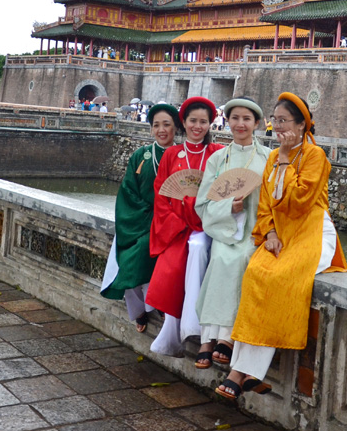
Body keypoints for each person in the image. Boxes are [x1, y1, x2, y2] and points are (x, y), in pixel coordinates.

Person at [216, 92, 347, 400]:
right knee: (256, 274)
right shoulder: (274, 158)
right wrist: (270, 232)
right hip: (282, 234)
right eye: (275, 121)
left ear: (302, 125)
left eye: (284, 121)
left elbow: (300, 201)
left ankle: (241, 372)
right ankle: (245, 372)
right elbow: (267, 204)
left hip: (312, 232)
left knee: (279, 280)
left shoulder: (314, 156)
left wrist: (288, 159)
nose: (278, 127)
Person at [193, 97, 269, 369]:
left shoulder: (268, 159)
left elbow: (275, 201)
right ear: (227, 121)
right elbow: (203, 203)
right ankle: (213, 337)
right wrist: (229, 206)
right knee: (222, 258)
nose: (240, 124)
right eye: (234, 118)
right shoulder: (217, 158)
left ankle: (219, 338)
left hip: (254, 230)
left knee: (242, 259)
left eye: (246, 119)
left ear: (257, 124)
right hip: (225, 228)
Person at [146, 96, 223, 356]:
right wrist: (179, 222)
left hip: (206, 224)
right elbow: (162, 194)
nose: (197, 126)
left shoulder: (218, 154)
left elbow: (222, 193)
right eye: (193, 121)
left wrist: (200, 217)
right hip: (177, 226)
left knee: (198, 247)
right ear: (184, 122)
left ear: (210, 124)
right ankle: (172, 327)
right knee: (174, 261)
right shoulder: (171, 154)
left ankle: (190, 325)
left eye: (203, 122)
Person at [100, 103, 180, 333]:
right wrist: (148, 216)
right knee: (133, 257)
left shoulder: (182, 155)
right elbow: (128, 192)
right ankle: (139, 311)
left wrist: (168, 218)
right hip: (141, 221)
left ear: (176, 126)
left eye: (167, 124)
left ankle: (162, 304)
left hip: (172, 223)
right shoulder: (141, 155)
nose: (162, 130)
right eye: (156, 125)